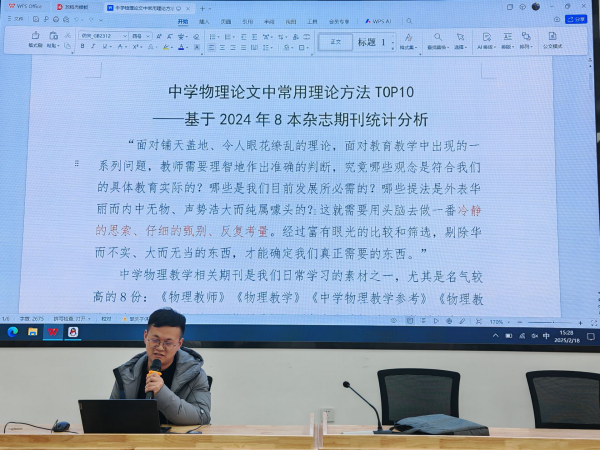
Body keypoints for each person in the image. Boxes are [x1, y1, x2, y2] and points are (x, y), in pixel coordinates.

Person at [110, 308, 211, 425]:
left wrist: (162, 392)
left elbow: (202, 416)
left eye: (168, 343)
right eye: (155, 340)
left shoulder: (194, 373)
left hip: (176, 437)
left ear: (179, 344)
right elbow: (111, 416)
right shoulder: (127, 373)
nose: (160, 347)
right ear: (145, 336)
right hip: (135, 436)